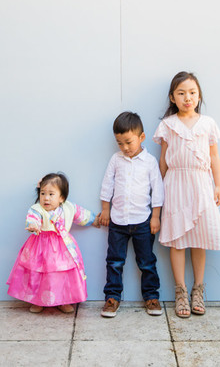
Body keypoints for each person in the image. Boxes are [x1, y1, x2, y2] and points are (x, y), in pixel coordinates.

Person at [154, 72, 220, 318]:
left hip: (201, 183)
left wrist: (218, 185)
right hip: (175, 184)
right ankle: (180, 291)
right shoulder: (168, 125)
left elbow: (214, 156)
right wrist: (161, 189)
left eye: (192, 93)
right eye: (181, 93)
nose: (187, 98)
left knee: (200, 238)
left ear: (199, 96)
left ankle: (198, 288)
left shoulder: (207, 123)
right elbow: (163, 160)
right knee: (177, 239)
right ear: (172, 97)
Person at [99, 111, 164, 317]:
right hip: (117, 221)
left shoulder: (150, 162)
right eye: (120, 143)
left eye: (128, 142)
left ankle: (151, 296)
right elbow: (107, 185)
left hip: (142, 221)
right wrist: (105, 210)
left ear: (141, 137)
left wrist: (155, 216)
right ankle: (112, 297)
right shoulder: (116, 160)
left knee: (147, 262)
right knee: (114, 261)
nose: (125, 147)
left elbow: (158, 190)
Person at [7, 172, 100, 313]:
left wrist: (95, 220)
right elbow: (33, 218)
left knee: (61, 274)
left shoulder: (69, 208)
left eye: (51, 194)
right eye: (43, 193)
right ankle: (37, 300)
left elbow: (81, 215)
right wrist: (33, 225)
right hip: (40, 247)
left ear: (61, 197)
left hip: (62, 247)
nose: (46, 198)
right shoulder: (37, 209)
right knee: (38, 273)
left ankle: (63, 300)